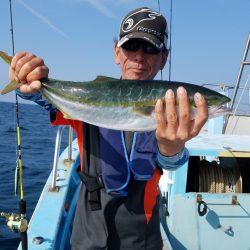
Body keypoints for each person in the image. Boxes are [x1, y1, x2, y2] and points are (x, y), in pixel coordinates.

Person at [9, 7, 208, 250]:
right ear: (117, 52)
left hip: (141, 235)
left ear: (163, 58)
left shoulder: (168, 107)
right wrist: (28, 80)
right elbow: (42, 98)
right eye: (130, 46)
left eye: (150, 48)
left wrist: (172, 148)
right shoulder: (89, 100)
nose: (138, 57)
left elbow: (172, 163)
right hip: (87, 233)